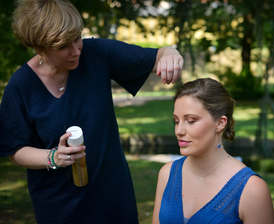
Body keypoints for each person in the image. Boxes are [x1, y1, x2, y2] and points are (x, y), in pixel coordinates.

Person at [0, 0, 183, 223]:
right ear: (40, 47)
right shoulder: (20, 87)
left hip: (114, 199)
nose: (76, 50)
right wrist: (53, 157)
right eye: (64, 46)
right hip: (59, 207)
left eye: (77, 38)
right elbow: (15, 150)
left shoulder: (97, 54)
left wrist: (170, 53)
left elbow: (157, 56)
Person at [152, 78, 274, 224]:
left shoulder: (251, 189)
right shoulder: (167, 175)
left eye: (191, 120)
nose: (179, 131)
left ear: (220, 123)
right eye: (176, 121)